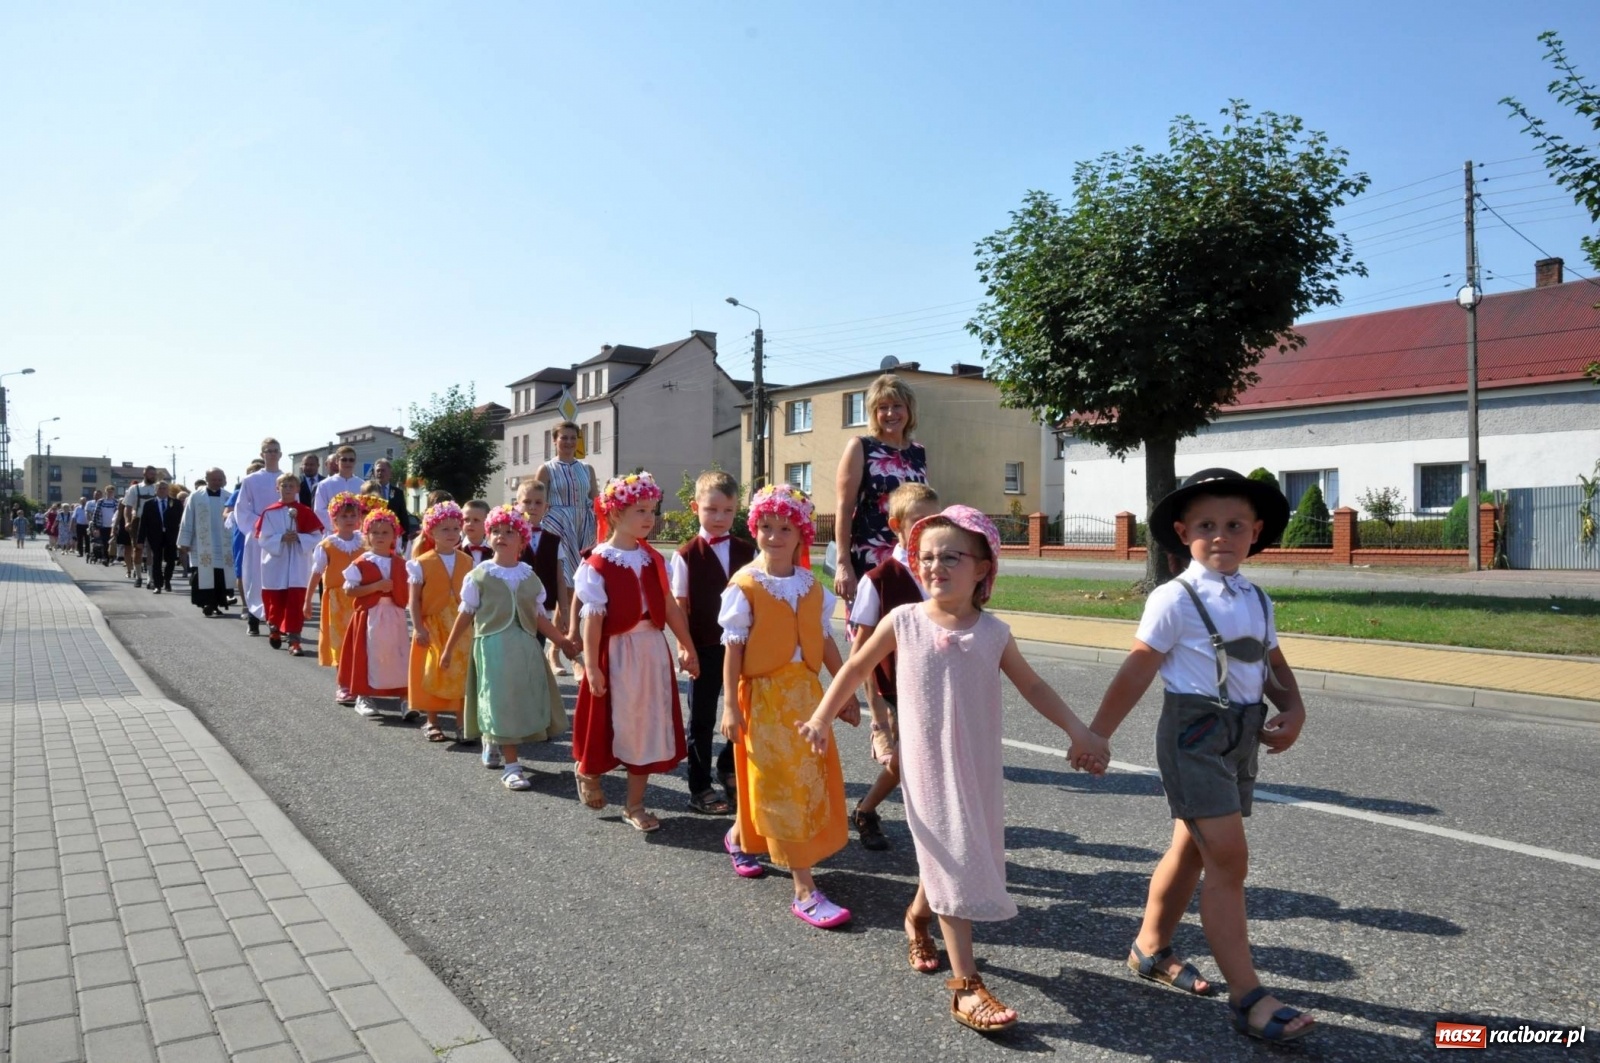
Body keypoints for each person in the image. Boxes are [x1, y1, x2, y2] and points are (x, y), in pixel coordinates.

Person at [804, 506, 1109, 1032]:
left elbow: (1033, 686)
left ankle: (918, 915)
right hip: (925, 766)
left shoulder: (993, 632)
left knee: (962, 851)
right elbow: (855, 666)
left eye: (951, 556)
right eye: (925, 557)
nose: (934, 566)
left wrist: (1078, 731)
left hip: (978, 766)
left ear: (983, 568)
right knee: (954, 852)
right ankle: (966, 985)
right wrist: (820, 716)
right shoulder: (903, 621)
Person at [1082, 469, 1314, 1044]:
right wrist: (1098, 734)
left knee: (1192, 846)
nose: (1221, 536)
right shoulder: (1173, 598)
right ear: (1182, 533)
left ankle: (1150, 947)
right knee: (1229, 858)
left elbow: (1271, 667)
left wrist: (1295, 708)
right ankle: (1249, 997)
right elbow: (1138, 669)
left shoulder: (1259, 598)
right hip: (1193, 736)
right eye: (1206, 526)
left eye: (1235, 525)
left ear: (1255, 532)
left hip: (1240, 735)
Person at [717, 483, 859, 923]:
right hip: (763, 699)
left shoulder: (810, 587)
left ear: (800, 534)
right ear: (755, 530)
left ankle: (741, 836)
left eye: (783, 528)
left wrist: (844, 691)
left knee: (802, 779)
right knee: (780, 784)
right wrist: (730, 706)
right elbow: (733, 647)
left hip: (807, 699)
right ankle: (804, 890)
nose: (773, 536)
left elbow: (823, 641)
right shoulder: (745, 585)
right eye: (764, 527)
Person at [571, 472, 698, 832]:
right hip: (616, 652)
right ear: (613, 515)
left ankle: (635, 804)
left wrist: (686, 646)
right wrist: (592, 665)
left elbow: (670, 607)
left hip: (651, 651)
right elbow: (592, 618)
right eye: (640, 510)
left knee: (647, 725)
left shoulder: (655, 559)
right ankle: (589, 770)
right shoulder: (597, 562)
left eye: (652, 510)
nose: (649, 518)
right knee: (610, 720)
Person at [441, 506, 579, 789]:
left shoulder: (529, 576)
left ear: (522, 540)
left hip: (525, 650)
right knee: (499, 701)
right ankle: (512, 766)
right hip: (493, 648)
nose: (501, 536)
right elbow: (466, 614)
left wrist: (562, 641)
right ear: (488, 536)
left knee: (517, 702)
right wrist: (448, 649)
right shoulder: (479, 574)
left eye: (509, 532)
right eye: (495, 531)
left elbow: (539, 617)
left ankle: (492, 739)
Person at [846, 482, 940, 851]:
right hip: (898, 685)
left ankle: (868, 810)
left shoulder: (941, 568)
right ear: (896, 523)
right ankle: (879, 813)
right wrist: (877, 714)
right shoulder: (878, 579)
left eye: (934, 519)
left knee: (914, 759)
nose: (927, 528)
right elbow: (861, 649)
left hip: (939, 680)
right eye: (918, 521)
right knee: (917, 758)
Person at [667, 470, 754, 816]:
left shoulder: (748, 551)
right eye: (711, 509)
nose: (719, 518)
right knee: (701, 718)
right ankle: (699, 786)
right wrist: (684, 646)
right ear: (695, 508)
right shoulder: (686, 555)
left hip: (744, 647)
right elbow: (679, 605)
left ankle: (729, 765)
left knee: (746, 710)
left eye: (728, 511)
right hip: (703, 645)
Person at [832, 374, 929, 603]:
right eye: (882, 407)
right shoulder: (861, 446)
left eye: (897, 406)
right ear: (874, 413)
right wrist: (843, 562)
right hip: (870, 555)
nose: (890, 413)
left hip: (911, 556)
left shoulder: (918, 452)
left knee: (908, 628)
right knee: (869, 629)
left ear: (909, 409)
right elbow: (844, 508)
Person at [337, 508, 413, 719]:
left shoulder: (401, 563)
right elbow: (349, 590)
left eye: (385, 533)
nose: (380, 537)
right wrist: (377, 586)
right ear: (367, 535)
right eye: (375, 533)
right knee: (367, 655)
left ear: (394, 536)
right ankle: (363, 695)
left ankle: (405, 697)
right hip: (370, 614)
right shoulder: (361, 562)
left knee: (398, 655)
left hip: (395, 615)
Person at [406, 502, 472, 742]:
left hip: (460, 625)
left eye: (456, 528)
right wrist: (418, 627)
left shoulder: (467, 560)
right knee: (433, 670)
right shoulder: (420, 563)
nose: (452, 533)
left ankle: (462, 722)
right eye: (445, 529)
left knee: (462, 670)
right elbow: (413, 600)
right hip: (433, 625)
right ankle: (432, 721)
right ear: (431, 532)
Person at [534, 421, 598, 669]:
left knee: (580, 590)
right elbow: (536, 501)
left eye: (573, 438)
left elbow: (594, 499)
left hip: (584, 528)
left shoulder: (587, 468)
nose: (569, 442)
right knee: (567, 590)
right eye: (564, 438)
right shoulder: (547, 469)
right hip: (558, 528)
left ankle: (562, 646)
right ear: (555, 441)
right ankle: (562, 649)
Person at [306, 492, 367, 703]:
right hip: (337, 602)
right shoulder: (327, 545)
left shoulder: (365, 541)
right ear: (334, 520)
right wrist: (307, 602)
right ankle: (343, 684)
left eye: (353, 516)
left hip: (361, 598)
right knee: (342, 643)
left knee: (362, 642)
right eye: (344, 516)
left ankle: (361, 682)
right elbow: (316, 574)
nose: (349, 520)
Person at [255, 473, 323, 654]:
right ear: (277, 488)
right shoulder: (269, 512)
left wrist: (299, 537)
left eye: (291, 486)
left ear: (297, 489)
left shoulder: (305, 512)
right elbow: (263, 538)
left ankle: (294, 640)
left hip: (298, 563)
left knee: (295, 601)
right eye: (284, 486)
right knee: (275, 600)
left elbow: (317, 537)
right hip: (276, 562)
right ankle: (275, 627)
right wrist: (281, 538)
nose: (287, 489)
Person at [513, 481, 569, 670]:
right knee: (517, 651)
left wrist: (565, 611)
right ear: (517, 504)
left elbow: (560, 578)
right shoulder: (510, 537)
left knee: (536, 648)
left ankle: (534, 688)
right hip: (516, 606)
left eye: (538, 502)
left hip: (543, 608)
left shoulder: (554, 541)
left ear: (546, 507)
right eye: (527, 501)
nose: (532, 507)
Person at [234, 439, 285, 636]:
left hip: (281, 538)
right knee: (256, 578)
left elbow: (294, 509)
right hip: (257, 536)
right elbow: (242, 510)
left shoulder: (287, 479)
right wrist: (263, 524)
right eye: (268, 451)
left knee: (279, 579)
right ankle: (253, 619)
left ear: (280, 454)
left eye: (275, 451)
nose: (271, 454)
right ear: (262, 454)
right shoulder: (250, 480)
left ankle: (277, 620)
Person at [179, 468, 236, 617]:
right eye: (213, 479)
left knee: (219, 575)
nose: (217, 482)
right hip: (201, 542)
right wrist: (184, 541)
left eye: (219, 479)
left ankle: (216, 604)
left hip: (223, 543)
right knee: (202, 574)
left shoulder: (228, 497)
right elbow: (187, 518)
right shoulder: (196, 496)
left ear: (224, 479)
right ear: (207, 479)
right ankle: (205, 603)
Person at [139, 482, 182, 593]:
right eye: (160, 488)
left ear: (168, 490)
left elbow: (182, 522)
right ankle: (157, 584)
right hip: (155, 535)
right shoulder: (149, 504)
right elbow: (143, 523)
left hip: (171, 535)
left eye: (164, 488)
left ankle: (167, 580)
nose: (162, 490)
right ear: (155, 490)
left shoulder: (176, 503)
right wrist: (140, 540)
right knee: (156, 560)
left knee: (171, 559)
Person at [124, 466, 160, 587]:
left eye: (154, 474)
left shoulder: (157, 488)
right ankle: (139, 576)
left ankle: (150, 578)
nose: (153, 476)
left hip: (154, 521)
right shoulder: (135, 488)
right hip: (138, 520)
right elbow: (127, 507)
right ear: (144, 474)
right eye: (151, 474)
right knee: (137, 549)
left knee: (152, 550)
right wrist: (127, 521)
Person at [313, 446, 363, 532]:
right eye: (344, 460)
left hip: (356, 533)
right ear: (337, 461)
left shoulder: (362, 484)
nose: (348, 463)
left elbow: (365, 509)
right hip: (333, 533)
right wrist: (337, 526)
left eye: (351, 460)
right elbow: (319, 510)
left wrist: (355, 526)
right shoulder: (324, 484)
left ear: (355, 462)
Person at [372, 458, 412, 544]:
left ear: (390, 473)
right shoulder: (369, 491)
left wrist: (405, 538)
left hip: (393, 535)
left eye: (383, 470)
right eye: (378, 470)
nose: (380, 473)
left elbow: (403, 515)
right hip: (374, 533)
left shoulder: (397, 492)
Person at [91, 485, 119, 564]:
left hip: (113, 526)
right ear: (106, 492)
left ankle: (112, 557)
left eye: (112, 492)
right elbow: (95, 514)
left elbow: (118, 514)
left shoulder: (116, 502)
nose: (110, 493)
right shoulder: (101, 501)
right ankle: (105, 558)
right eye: (109, 492)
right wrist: (95, 527)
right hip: (102, 525)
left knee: (112, 542)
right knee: (104, 542)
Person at [461, 499, 493, 564]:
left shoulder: (493, 552)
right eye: (466, 519)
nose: (470, 523)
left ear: (487, 523)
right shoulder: (454, 550)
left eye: (476, 520)